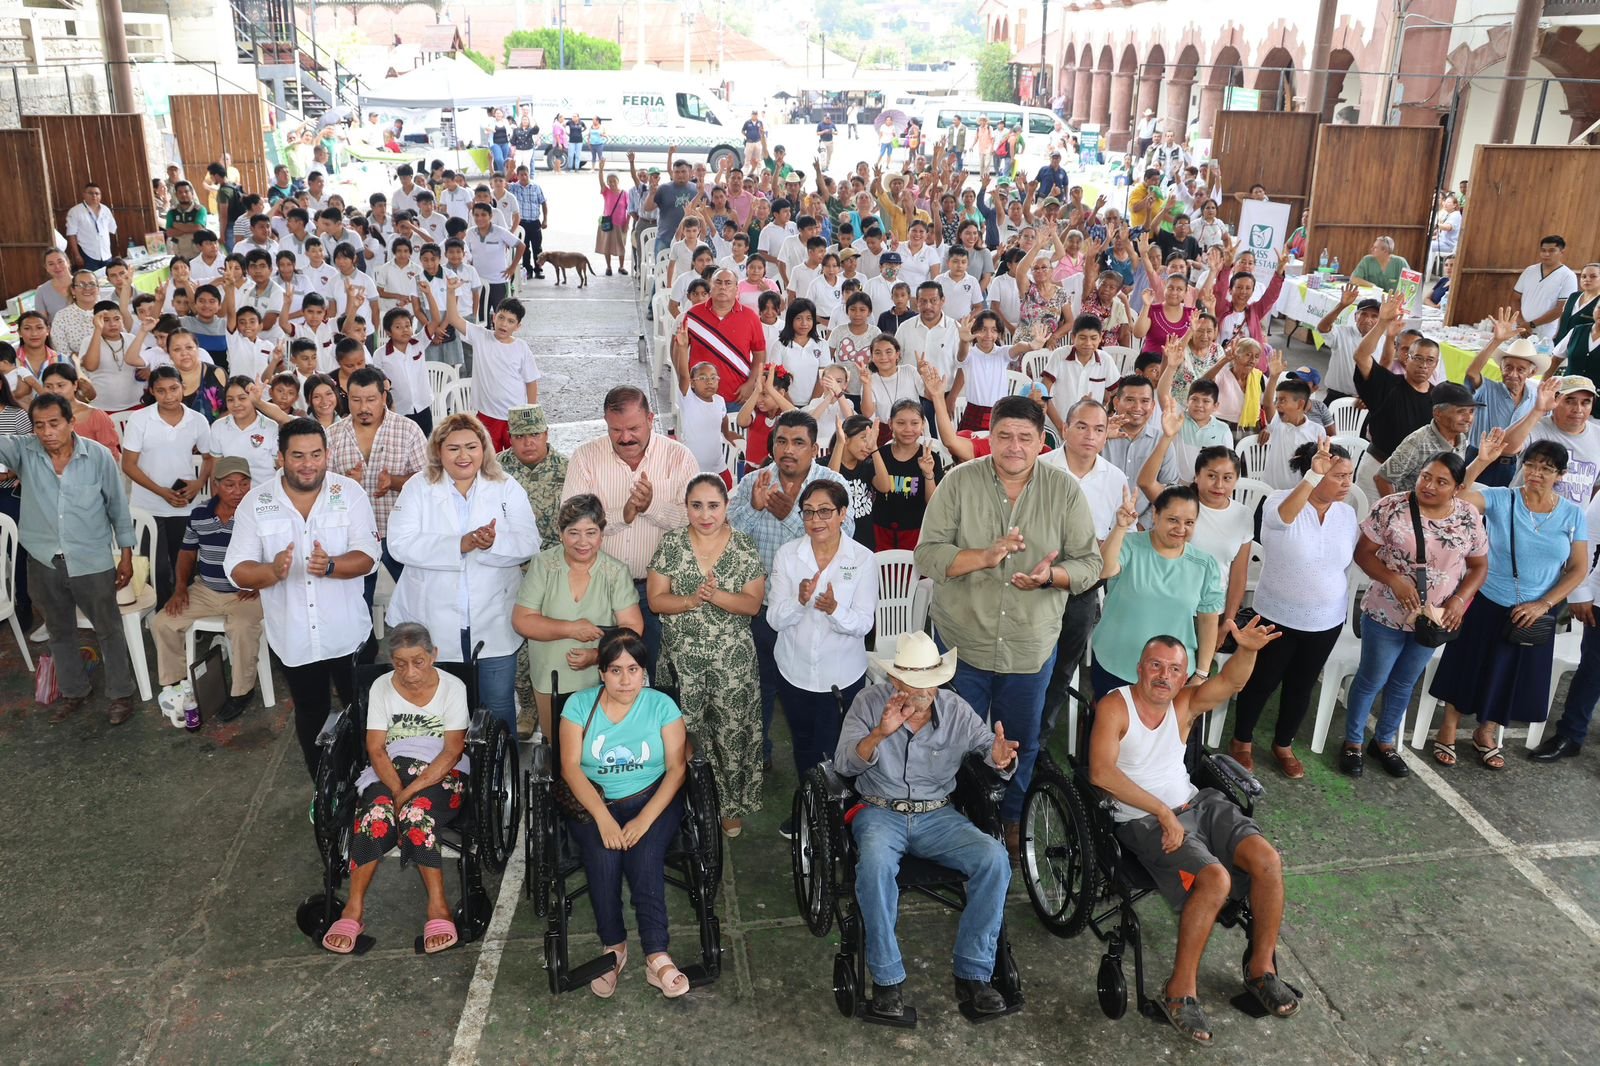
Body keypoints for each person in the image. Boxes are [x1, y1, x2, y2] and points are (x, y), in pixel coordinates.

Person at [1088, 621, 1298, 1046]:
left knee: (1268, 861)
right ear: (1140, 667)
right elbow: (1101, 772)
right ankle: (1179, 991)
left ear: (1184, 677)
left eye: (1174, 669)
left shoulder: (1183, 705)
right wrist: (1161, 811)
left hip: (1196, 803)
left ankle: (1261, 970)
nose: (1164, 676)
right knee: (1215, 878)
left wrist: (1249, 651)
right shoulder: (1116, 706)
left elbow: (1229, 682)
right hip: (1142, 819)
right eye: (1155, 665)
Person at [914, 396, 1102, 854]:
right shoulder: (958, 483)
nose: (1013, 446)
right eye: (1004, 436)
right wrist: (984, 556)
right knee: (958, 736)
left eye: (1025, 437)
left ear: (1042, 442)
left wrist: (1051, 578)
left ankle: (1013, 818)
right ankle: (964, 814)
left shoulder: (1064, 491)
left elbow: (1090, 564)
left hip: (1029, 644)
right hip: (962, 640)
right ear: (989, 438)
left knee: (1021, 739)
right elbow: (927, 555)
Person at [834, 631, 1020, 1020]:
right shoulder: (868, 703)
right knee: (875, 868)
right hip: (879, 810)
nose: (924, 691)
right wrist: (879, 734)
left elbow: (989, 747)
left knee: (994, 858)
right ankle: (886, 979)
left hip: (937, 814)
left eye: (931, 681)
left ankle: (974, 973)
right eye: (915, 682)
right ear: (896, 680)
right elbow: (844, 766)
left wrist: (1002, 758)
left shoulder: (954, 708)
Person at [224, 417, 378, 778]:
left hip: (348, 634)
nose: (308, 464)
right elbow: (236, 569)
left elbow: (369, 556)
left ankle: (369, 784)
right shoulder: (257, 502)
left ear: (327, 454)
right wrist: (271, 572)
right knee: (311, 712)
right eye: (298, 456)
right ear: (280, 457)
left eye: (315, 454)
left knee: (364, 712)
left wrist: (332, 566)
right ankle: (324, 788)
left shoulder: (349, 494)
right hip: (294, 636)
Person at [1427, 435, 1589, 770]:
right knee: (1467, 666)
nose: (1536, 473)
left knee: (1510, 674)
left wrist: (1544, 604)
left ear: (1560, 475)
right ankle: (1448, 728)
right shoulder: (1502, 499)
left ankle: (1487, 733)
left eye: (1546, 468)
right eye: (1530, 464)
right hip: (1488, 599)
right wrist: (1483, 460)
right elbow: (1455, 495)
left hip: (1534, 612)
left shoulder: (1573, 515)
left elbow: (1578, 568)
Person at [319, 622, 471, 955]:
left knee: (417, 815)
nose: (410, 672)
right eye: (400, 663)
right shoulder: (380, 688)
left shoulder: (453, 687)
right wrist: (395, 788)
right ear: (391, 661)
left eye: (418, 661)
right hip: (390, 767)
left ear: (434, 655)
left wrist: (405, 795)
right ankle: (353, 909)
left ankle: (439, 906)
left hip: (442, 772)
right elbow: (375, 748)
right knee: (373, 814)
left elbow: (452, 750)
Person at [386, 413, 539, 732]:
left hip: (493, 617)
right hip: (433, 619)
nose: (463, 455)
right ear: (438, 451)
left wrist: (493, 544)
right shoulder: (418, 487)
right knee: (441, 706)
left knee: (498, 705)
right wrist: (460, 544)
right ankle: (453, 777)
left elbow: (529, 542)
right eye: (453, 448)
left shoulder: (505, 486)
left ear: (484, 449)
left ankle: (502, 776)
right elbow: (399, 544)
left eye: (472, 446)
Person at [559, 630, 690, 998]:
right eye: (615, 670)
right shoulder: (578, 707)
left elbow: (678, 770)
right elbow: (570, 768)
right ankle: (613, 947)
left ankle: (657, 956)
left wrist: (643, 819)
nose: (625, 679)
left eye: (633, 669)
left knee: (645, 857)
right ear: (601, 672)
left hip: (653, 799)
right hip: (594, 802)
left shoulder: (662, 705)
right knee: (603, 859)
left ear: (643, 671)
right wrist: (603, 818)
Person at [1342, 453, 1488, 777]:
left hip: (1434, 619)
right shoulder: (1391, 507)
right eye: (1425, 476)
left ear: (1457, 488)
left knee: (1404, 682)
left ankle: (1384, 742)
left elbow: (1480, 566)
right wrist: (1393, 579)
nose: (1429, 486)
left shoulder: (1467, 517)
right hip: (1386, 613)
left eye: (1441, 482)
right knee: (1372, 679)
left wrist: (1460, 600)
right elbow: (1363, 554)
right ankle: (1352, 742)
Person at [730, 410, 853, 780]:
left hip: (817, 613)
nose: (788, 450)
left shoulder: (831, 484)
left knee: (809, 695)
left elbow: (848, 540)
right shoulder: (754, 480)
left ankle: (819, 772)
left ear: (815, 448)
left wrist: (788, 517)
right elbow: (728, 536)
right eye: (781, 441)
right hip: (763, 608)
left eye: (798, 442)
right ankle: (760, 752)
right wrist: (754, 508)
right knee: (760, 686)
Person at [0, 393, 136, 723]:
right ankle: (75, 690)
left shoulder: (99, 457)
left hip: (91, 559)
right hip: (43, 560)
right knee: (60, 631)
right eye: (39, 425)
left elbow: (118, 508)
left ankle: (120, 694)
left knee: (108, 628)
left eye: (54, 424)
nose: (47, 432)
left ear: (71, 422)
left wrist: (127, 556)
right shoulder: (24, 451)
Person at [1230, 440, 1358, 777]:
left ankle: (1283, 744)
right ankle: (1242, 741)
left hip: (1326, 620)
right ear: (1314, 474)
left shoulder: (1346, 514)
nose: (1347, 483)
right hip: (1276, 615)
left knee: (1301, 686)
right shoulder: (1278, 501)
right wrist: (1312, 479)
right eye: (1339, 476)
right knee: (1262, 681)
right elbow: (1282, 520)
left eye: (1350, 475)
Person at [647, 475, 766, 836]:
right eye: (696, 505)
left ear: (726, 506)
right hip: (681, 658)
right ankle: (685, 802)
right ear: (686, 508)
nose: (705, 514)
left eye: (713, 505)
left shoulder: (744, 547)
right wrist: (691, 600)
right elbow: (655, 600)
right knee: (680, 735)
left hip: (732, 661)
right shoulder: (671, 544)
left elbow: (752, 605)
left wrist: (714, 597)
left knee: (731, 734)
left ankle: (729, 807)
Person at [561, 386, 698, 669]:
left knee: (657, 674)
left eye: (633, 428)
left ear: (650, 419)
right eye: (615, 430)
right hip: (599, 589)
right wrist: (622, 515)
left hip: (659, 593)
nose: (625, 438)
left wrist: (651, 507)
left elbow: (694, 521)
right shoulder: (585, 457)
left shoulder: (679, 457)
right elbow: (571, 524)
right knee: (599, 673)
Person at [769, 478, 878, 786]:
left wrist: (834, 610)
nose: (816, 520)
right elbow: (775, 620)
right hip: (795, 672)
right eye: (808, 512)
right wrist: (799, 601)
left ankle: (839, 821)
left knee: (839, 749)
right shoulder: (788, 555)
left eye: (825, 511)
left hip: (842, 675)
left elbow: (864, 624)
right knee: (803, 745)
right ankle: (809, 812)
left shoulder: (863, 559)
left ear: (843, 514)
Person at [512, 493, 643, 737]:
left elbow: (632, 626)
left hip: (602, 681)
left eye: (591, 532)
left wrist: (597, 656)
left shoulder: (615, 572)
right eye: (573, 532)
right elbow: (522, 620)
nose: (583, 542)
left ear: (602, 534)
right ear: (561, 534)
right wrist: (572, 628)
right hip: (549, 679)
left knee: (597, 745)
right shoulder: (543, 565)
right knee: (557, 749)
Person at [149, 455, 265, 723]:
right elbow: (187, 554)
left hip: (246, 592)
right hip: (206, 589)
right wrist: (180, 588)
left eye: (244, 484)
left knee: (241, 628)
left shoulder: (259, 514)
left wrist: (260, 582)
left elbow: (276, 554)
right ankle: (178, 686)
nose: (238, 491)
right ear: (215, 485)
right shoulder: (200, 514)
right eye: (230, 485)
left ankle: (242, 692)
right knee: (162, 622)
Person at [326, 367, 428, 645]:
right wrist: (346, 485)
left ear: (384, 396)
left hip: (399, 533)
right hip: (353, 539)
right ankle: (360, 662)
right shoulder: (333, 435)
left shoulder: (408, 430)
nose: (363, 407)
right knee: (356, 606)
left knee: (418, 598)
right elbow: (322, 494)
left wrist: (395, 482)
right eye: (356, 400)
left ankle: (424, 656)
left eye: (371, 399)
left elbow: (429, 484)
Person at [1094, 481, 1224, 694]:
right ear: (1155, 514)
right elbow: (1103, 570)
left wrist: (1201, 673)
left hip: (1173, 675)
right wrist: (1120, 527)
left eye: (1189, 522)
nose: (1181, 529)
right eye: (1173, 519)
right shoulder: (1129, 545)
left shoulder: (1205, 565)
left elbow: (1208, 621)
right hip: (1116, 663)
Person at [122, 366, 215, 608]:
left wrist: (198, 483)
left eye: (174, 388)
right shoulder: (140, 419)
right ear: (152, 391)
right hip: (147, 505)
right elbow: (129, 465)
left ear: (183, 388)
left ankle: (184, 613)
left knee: (183, 565)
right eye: (161, 391)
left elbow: (209, 457)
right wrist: (162, 492)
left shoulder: (198, 420)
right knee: (155, 567)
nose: (169, 395)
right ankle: (160, 614)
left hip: (183, 504)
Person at [1354, 294, 1441, 465]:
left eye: (1429, 360)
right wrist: (1382, 323)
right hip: (1378, 464)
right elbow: (1361, 356)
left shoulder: (1438, 398)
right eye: (1417, 358)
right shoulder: (1388, 383)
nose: (1423, 365)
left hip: (1415, 472)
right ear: (1406, 358)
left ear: (1436, 364)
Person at [1463, 316, 1544, 487]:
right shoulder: (1487, 389)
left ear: (1531, 372)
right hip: (1478, 459)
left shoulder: (1537, 398)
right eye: (1508, 367)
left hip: (1514, 465)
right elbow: (1471, 374)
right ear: (1500, 368)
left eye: (1520, 369)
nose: (1513, 374)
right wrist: (1496, 340)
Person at [1375, 383, 1484, 495]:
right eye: (1461, 411)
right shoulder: (1418, 442)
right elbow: (1383, 479)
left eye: (1471, 411)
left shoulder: (1460, 438)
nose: (1468, 418)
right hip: (1416, 508)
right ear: (1438, 414)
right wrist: (1399, 510)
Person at [1515, 235, 1577, 342]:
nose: (1546, 254)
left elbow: (1561, 309)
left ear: (1562, 252)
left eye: (1552, 251)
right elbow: (1515, 298)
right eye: (1543, 250)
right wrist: (1521, 322)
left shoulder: (1568, 276)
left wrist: (1532, 324)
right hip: (1521, 327)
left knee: (1538, 358)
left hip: (1545, 332)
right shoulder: (1529, 270)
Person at [65, 182, 117, 271]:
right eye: (90, 193)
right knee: (91, 282)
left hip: (106, 254)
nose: (94, 196)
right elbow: (71, 234)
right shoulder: (75, 211)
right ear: (84, 195)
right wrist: (77, 255)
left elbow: (112, 229)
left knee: (109, 281)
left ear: (100, 195)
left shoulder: (106, 210)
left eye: (97, 193)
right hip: (88, 254)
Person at [595, 159, 630, 277]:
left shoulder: (624, 194)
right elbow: (600, 181)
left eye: (614, 181)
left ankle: (621, 266)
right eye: (609, 181)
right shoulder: (606, 192)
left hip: (620, 224)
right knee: (607, 246)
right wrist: (601, 169)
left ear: (618, 181)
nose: (612, 183)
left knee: (621, 246)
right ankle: (608, 267)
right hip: (607, 223)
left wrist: (627, 224)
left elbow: (629, 210)